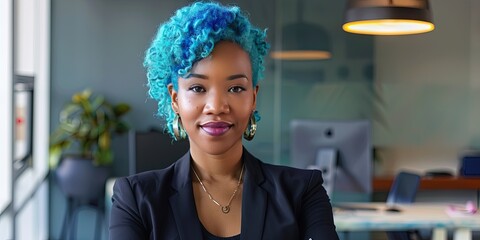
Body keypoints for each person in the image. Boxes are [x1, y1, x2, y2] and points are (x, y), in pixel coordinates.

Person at [109, 2, 339, 239]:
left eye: (236, 88)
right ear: (175, 99)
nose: (217, 106)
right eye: (198, 87)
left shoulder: (303, 192)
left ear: (253, 97)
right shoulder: (136, 199)